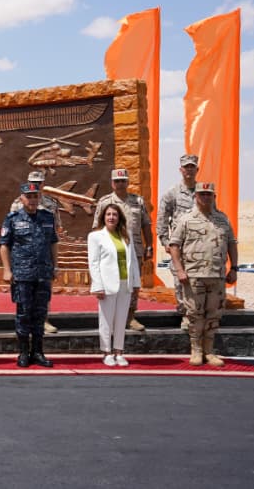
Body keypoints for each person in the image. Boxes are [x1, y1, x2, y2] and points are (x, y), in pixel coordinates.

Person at [168, 182, 237, 367]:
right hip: (193, 276)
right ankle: (196, 350)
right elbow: (174, 246)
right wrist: (179, 270)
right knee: (195, 315)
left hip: (217, 276)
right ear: (195, 197)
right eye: (202, 194)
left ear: (214, 197)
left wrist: (234, 268)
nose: (205, 197)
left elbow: (231, 243)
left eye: (209, 194)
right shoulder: (185, 219)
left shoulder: (222, 219)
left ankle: (209, 350)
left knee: (214, 314)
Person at [0, 181, 59, 368]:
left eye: (35, 196)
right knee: (24, 313)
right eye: (29, 196)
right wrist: (7, 270)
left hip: (43, 273)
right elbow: (4, 245)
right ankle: (24, 352)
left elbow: (53, 243)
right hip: (22, 274)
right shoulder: (13, 218)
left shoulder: (48, 217)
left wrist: (55, 266)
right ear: (22, 198)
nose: (32, 200)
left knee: (40, 314)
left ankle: (38, 352)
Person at [93, 168, 153, 332]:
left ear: (127, 182)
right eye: (117, 181)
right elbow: (97, 227)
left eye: (123, 181)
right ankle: (112, 317)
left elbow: (146, 224)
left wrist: (149, 246)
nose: (120, 184)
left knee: (132, 285)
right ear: (112, 183)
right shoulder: (105, 202)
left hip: (134, 249)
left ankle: (130, 317)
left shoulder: (137, 201)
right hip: (111, 251)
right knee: (111, 283)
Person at [87, 201, 141, 368]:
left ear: (119, 218)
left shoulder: (126, 235)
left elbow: (133, 260)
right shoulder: (95, 236)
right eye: (108, 214)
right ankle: (106, 352)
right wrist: (97, 285)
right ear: (103, 217)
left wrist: (136, 282)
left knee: (121, 319)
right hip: (106, 284)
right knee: (106, 320)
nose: (111, 217)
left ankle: (119, 352)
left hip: (125, 283)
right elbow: (93, 263)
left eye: (115, 214)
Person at [10, 169, 64, 335]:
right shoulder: (17, 204)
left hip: (43, 257)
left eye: (39, 183)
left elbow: (56, 232)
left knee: (43, 293)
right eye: (33, 182)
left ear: (43, 184)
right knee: (24, 295)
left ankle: (44, 321)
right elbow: (11, 234)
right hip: (24, 259)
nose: (36, 185)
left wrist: (55, 263)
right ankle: (24, 327)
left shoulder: (51, 204)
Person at [159, 154, 201, 329]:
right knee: (180, 281)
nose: (189, 170)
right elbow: (162, 218)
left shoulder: (203, 192)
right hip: (180, 247)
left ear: (197, 169)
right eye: (186, 167)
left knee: (199, 282)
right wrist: (165, 241)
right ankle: (185, 315)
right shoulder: (172, 193)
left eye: (192, 167)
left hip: (199, 246)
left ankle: (197, 315)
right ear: (180, 170)